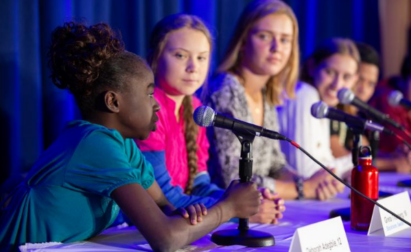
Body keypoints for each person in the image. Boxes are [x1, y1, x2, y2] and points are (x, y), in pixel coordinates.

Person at [0, 21, 261, 252]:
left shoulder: (122, 143)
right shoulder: (93, 143)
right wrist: (228, 208)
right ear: (113, 101)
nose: (157, 104)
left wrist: (189, 214)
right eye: (149, 94)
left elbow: (166, 206)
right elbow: (165, 239)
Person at [135, 14, 284, 224]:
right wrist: (235, 211)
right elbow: (162, 198)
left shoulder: (196, 109)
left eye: (201, 58)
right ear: (155, 57)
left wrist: (249, 201)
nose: (193, 67)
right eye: (180, 55)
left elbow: (200, 185)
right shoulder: (148, 109)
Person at [205, 0, 343, 201]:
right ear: (243, 41)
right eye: (264, 36)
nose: (276, 48)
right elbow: (234, 178)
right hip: (221, 214)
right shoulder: (227, 89)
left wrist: (315, 182)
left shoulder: (265, 93)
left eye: (285, 40)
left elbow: (275, 165)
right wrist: (304, 188)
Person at [279, 38, 359, 183]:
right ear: (311, 67)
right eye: (330, 72)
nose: (337, 84)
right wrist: (357, 162)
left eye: (346, 77)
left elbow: (325, 161)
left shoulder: (322, 104)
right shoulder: (305, 95)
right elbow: (306, 172)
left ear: (354, 80)